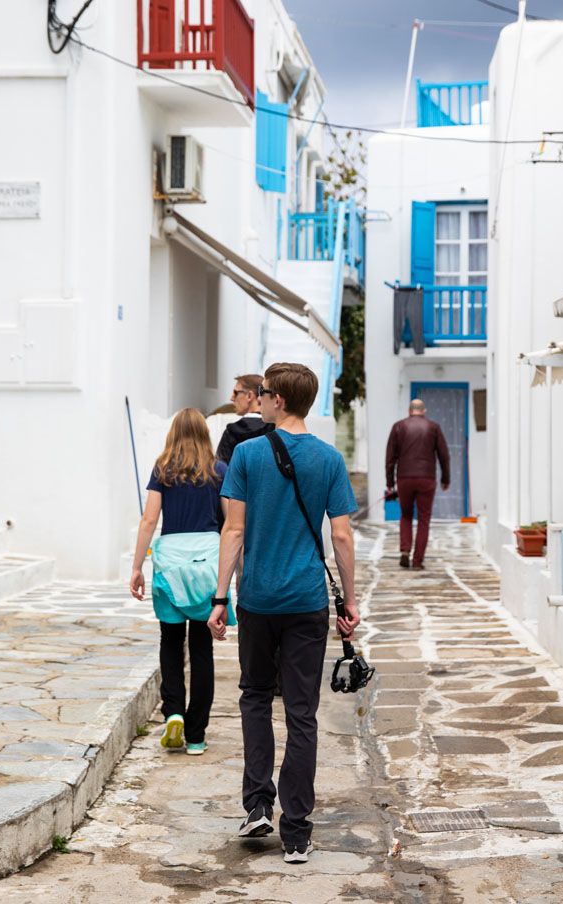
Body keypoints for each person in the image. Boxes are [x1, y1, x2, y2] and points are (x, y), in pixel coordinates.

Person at [207, 362, 359, 865]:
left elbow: (234, 532)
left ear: (277, 401)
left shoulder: (248, 455)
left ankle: (256, 806)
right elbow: (340, 535)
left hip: (257, 600)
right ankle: (296, 830)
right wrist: (350, 600)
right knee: (301, 713)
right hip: (306, 601)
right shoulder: (329, 459)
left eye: (265, 393)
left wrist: (219, 597)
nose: (259, 400)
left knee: (254, 697)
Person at [130, 408, 235, 755]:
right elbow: (229, 522)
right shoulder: (219, 470)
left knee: (170, 641)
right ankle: (196, 734)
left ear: (173, 433)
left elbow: (149, 519)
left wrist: (136, 567)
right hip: (206, 562)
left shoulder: (163, 468)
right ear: (205, 433)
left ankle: (173, 710)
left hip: (171, 563)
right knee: (202, 649)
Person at [385, 399, 450, 569]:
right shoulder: (433, 427)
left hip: (404, 477)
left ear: (409, 410)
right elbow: (444, 455)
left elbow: (390, 458)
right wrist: (445, 479)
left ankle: (405, 551)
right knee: (423, 519)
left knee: (405, 515)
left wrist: (390, 482)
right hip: (426, 478)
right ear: (424, 410)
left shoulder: (398, 426)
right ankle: (417, 560)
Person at [216, 374, 274, 464]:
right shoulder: (276, 429)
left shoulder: (231, 433)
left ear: (249, 396)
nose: (231, 398)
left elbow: (222, 470)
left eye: (236, 393)